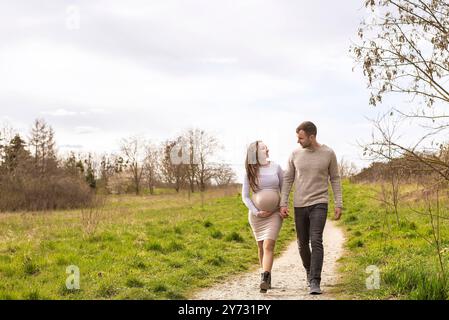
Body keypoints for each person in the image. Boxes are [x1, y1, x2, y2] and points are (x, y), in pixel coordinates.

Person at [280, 121, 343, 295]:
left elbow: (335, 179)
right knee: (302, 244)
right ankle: (309, 270)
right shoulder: (294, 154)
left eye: (301, 138)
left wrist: (339, 203)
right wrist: (283, 202)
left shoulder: (328, 153)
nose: (298, 141)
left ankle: (315, 280)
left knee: (316, 240)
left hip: (319, 202)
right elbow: (288, 179)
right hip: (299, 204)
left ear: (312, 136)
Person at [242, 140, 285, 293]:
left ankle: (265, 277)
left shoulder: (276, 167)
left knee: (268, 245)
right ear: (255, 152)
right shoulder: (250, 171)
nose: (267, 148)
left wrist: (282, 206)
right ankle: (265, 276)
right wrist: (256, 211)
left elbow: (284, 189)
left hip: (274, 214)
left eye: (266, 146)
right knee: (261, 247)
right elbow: (245, 197)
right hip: (257, 216)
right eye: (263, 147)